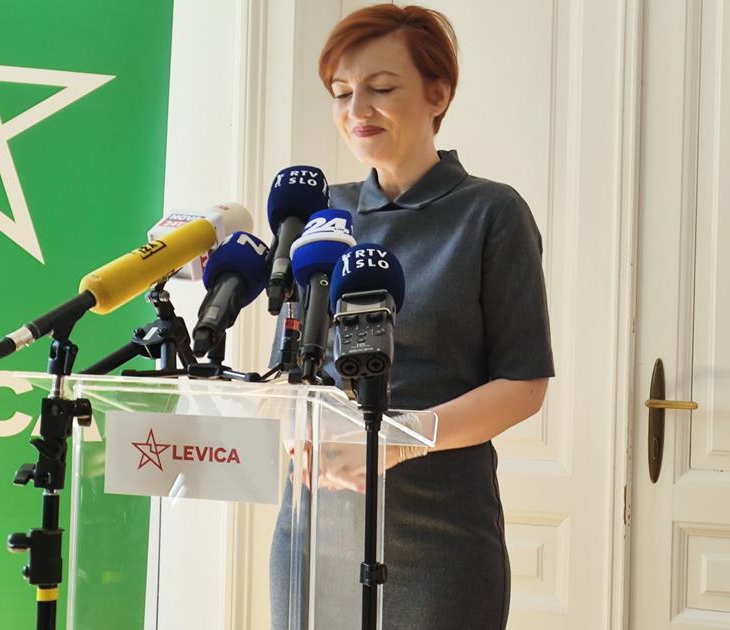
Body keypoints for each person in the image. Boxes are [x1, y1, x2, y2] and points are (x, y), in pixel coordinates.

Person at [270, 5, 554, 629]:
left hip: (441, 535)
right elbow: (290, 375)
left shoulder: (491, 213)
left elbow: (524, 384)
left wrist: (396, 441)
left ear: (437, 94)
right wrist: (296, 432)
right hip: (315, 528)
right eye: (341, 92)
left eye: (381, 88)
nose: (357, 110)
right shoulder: (322, 217)